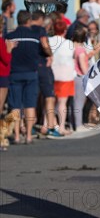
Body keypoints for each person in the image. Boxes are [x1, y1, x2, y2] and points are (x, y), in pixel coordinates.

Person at [6, 10, 52, 144]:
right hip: (31, 73)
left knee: (15, 106)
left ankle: (16, 136)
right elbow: (45, 49)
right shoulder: (35, 36)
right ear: (28, 21)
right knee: (29, 105)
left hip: (14, 73)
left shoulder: (10, 36)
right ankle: (29, 136)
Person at [31, 11, 63, 138]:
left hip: (30, 67)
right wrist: (50, 54)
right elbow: (44, 44)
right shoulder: (41, 30)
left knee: (31, 98)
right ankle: (50, 127)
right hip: (43, 67)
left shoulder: (25, 30)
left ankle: (29, 125)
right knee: (49, 97)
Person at [48, 20, 75, 135]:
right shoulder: (69, 43)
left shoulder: (49, 40)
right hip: (65, 75)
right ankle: (62, 126)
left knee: (49, 101)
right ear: (65, 31)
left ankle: (47, 124)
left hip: (51, 73)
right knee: (62, 102)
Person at [0, 15, 18, 115]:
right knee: (1, 103)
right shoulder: (1, 41)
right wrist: (10, 48)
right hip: (2, 74)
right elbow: (6, 59)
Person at [72, 26, 89, 131]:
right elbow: (83, 67)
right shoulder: (81, 50)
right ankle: (78, 125)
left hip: (71, 76)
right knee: (79, 102)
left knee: (73, 102)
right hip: (80, 78)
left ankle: (73, 123)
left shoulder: (71, 47)